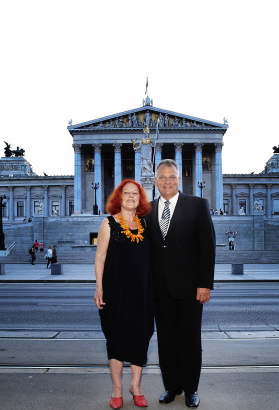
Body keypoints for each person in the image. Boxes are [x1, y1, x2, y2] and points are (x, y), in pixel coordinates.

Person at [146, 159, 216, 408]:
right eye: (162, 177)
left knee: (189, 339)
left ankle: (191, 389)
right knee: (166, 340)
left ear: (179, 179)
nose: (167, 182)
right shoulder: (148, 210)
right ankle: (171, 387)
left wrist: (204, 284)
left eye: (172, 177)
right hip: (159, 288)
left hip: (189, 287)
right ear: (155, 181)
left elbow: (207, 248)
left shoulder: (197, 205)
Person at [94, 179, 154, 409]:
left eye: (135, 194)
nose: (131, 196)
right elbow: (100, 257)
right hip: (115, 290)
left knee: (141, 337)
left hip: (142, 291)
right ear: (119, 197)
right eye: (126, 193)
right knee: (116, 338)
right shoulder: (109, 223)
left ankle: (135, 386)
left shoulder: (145, 225)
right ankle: (117, 388)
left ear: (140, 200)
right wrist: (99, 287)